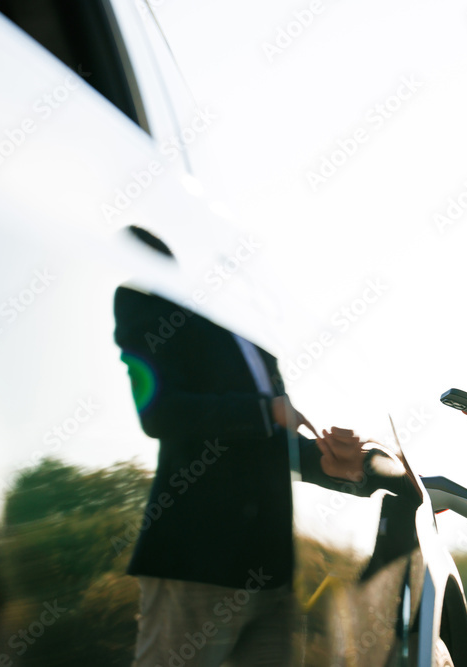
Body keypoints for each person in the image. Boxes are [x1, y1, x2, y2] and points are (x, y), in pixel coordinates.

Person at [115, 226, 374, 666]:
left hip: (270, 573)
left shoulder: (255, 336)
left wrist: (337, 465)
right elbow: (159, 413)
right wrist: (264, 411)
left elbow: (274, 444)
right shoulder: (150, 298)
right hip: (196, 563)